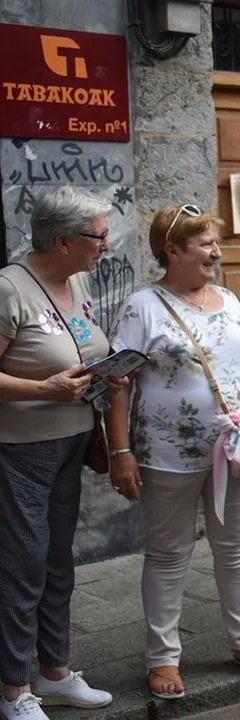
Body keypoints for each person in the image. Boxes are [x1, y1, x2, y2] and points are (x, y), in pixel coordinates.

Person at [105, 204, 240, 700]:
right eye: (205, 244)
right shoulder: (143, 306)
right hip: (167, 455)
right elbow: (117, 384)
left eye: (215, 243)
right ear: (172, 251)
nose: (216, 253)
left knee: (236, 549)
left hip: (236, 451)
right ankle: (163, 657)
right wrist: (120, 451)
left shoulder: (229, 299)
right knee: (167, 555)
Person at [0, 186, 117, 720]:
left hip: (73, 440)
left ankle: (55, 672)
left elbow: (80, 346)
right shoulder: (9, 288)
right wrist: (43, 389)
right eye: (98, 236)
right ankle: (13, 691)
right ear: (63, 240)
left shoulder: (78, 279)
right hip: (21, 449)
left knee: (57, 561)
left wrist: (110, 373)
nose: (106, 245)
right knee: (22, 565)